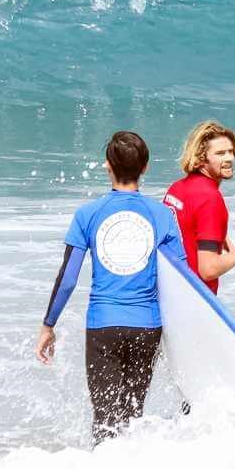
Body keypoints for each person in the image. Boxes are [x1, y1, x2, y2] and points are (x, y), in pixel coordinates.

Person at [36, 130, 186, 443]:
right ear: (145, 168)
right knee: (132, 419)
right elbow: (183, 279)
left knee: (105, 421)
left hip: (104, 325)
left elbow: (68, 278)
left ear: (108, 166)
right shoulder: (163, 215)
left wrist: (48, 325)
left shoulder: (87, 214)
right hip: (147, 327)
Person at [162, 120, 235, 294]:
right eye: (220, 153)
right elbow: (208, 270)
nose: (229, 158)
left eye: (231, 151)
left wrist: (226, 242)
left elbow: (192, 226)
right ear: (201, 159)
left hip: (170, 289)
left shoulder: (177, 188)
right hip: (196, 299)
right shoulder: (210, 199)